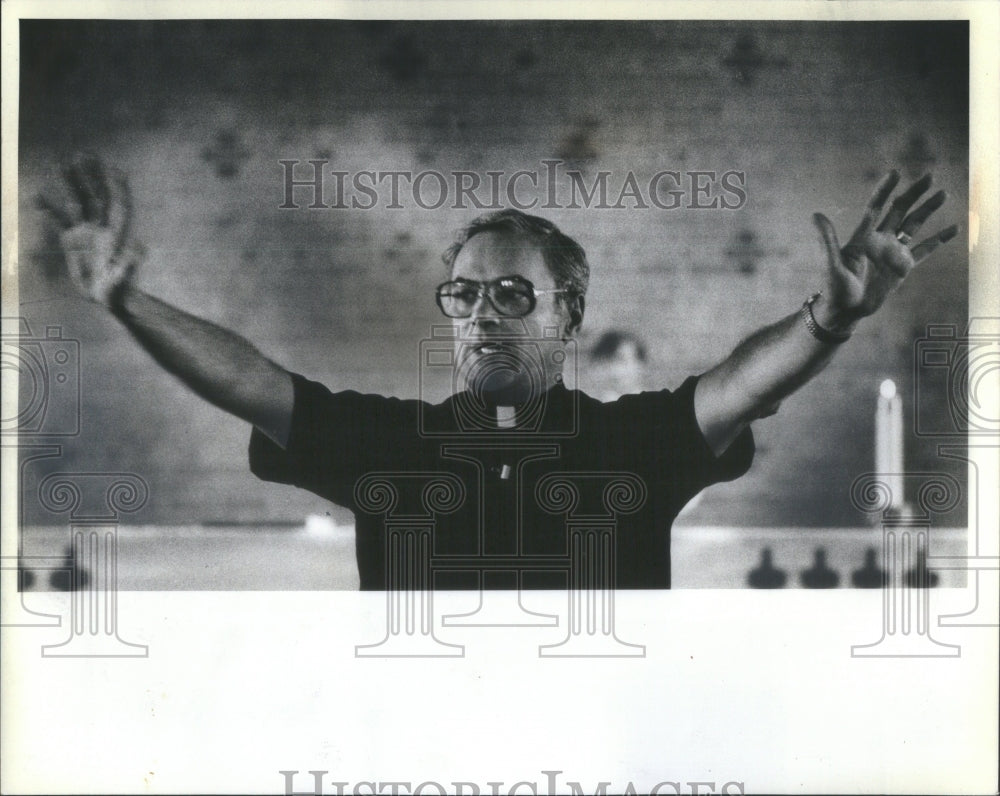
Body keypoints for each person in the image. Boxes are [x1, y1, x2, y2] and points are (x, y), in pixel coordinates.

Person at [41, 154, 958, 589]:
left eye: (513, 294)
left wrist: (828, 319)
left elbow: (744, 383)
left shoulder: (632, 443)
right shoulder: (390, 445)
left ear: (570, 315)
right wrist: (129, 303)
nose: (480, 313)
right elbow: (250, 379)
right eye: (463, 294)